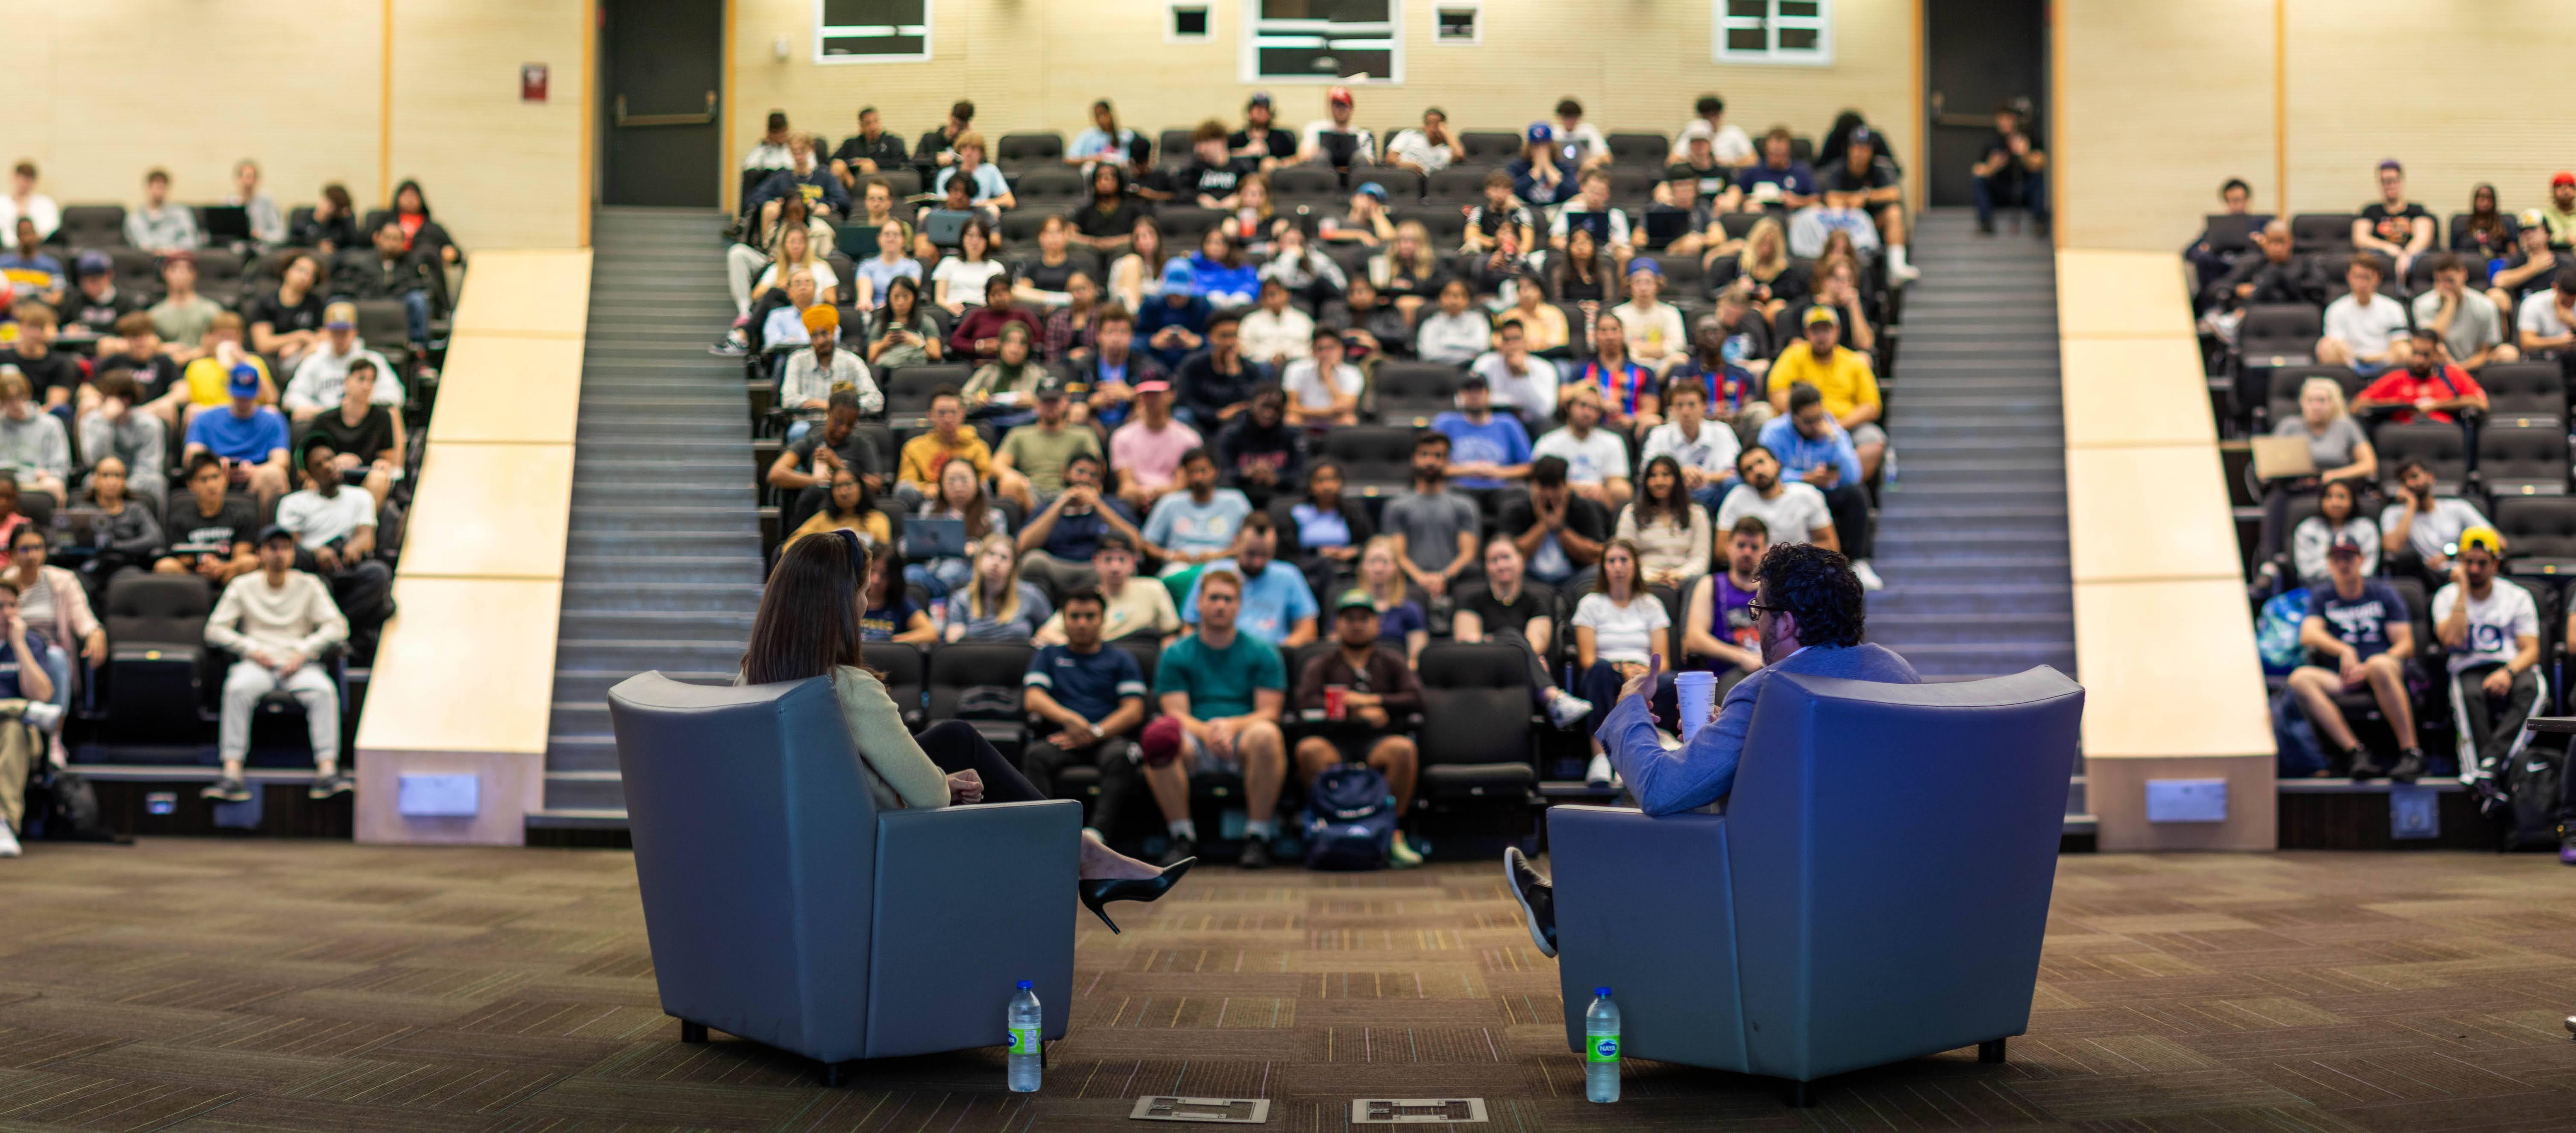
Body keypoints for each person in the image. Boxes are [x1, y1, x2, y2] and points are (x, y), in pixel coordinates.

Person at [746, 531, 1188, 927]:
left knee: (953, 738)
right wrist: (938, 783)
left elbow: (825, 775)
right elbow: (931, 798)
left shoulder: (752, 677)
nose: (865, 604)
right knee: (960, 744)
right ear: (839, 604)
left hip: (798, 833)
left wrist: (931, 781)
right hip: (865, 840)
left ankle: (1087, 857)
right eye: (862, 593)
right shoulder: (851, 686)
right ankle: (1086, 858)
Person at [1505, 542, 1919, 957]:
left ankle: (1564, 908)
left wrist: (1629, 706)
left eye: (1759, 613)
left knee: (1673, 806)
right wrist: (1735, 734)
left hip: (1780, 888)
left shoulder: (1766, 692)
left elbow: (1661, 787)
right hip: (1891, 877)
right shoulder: (1897, 671)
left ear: (1788, 622)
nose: (1756, 628)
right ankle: (1560, 907)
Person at [1142, 566, 1289, 868]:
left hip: (1243, 736)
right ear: (1199, 603)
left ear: (1239, 605)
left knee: (1267, 734)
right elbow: (1175, 712)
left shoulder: (1263, 652)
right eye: (1214, 598)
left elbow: (1270, 712)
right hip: (1194, 738)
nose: (1220, 605)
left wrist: (1232, 726)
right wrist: (1208, 732)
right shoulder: (1177, 653)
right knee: (1160, 737)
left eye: (1228, 599)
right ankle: (1181, 836)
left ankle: (1257, 836)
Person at [200, 526, 349, 805]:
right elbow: (215, 629)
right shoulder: (242, 585)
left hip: (299, 664)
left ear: (293, 553)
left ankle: (327, 771)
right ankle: (232, 773)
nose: (279, 554)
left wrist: (304, 651)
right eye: (273, 548)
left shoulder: (310, 585)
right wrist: (251, 649)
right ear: (260, 554)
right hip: (258, 662)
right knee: (237, 689)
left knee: (324, 691)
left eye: (285, 548)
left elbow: (338, 626)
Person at [1293, 590, 1426, 867]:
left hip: (1378, 741)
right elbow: (1305, 702)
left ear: (1376, 623)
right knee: (1309, 750)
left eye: (1364, 618)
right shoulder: (1321, 663)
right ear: (1336, 624)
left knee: (1403, 750)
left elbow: (1416, 698)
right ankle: (1325, 826)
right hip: (1333, 739)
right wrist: (1352, 709)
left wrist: (1374, 701)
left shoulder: (1392, 660)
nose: (1356, 624)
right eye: (1349, 618)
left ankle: (1393, 833)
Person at [2285, 535, 2424, 782]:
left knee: (2380, 666)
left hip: (2382, 669)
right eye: (2337, 558)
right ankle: (2355, 753)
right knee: (2300, 678)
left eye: (2349, 557)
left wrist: (2372, 665)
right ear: (2329, 564)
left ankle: (2411, 753)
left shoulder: (2383, 593)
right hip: (2342, 675)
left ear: (2361, 560)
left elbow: (2406, 644)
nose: (2343, 564)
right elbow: (2309, 634)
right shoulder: (2322, 596)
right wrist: (2344, 651)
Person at [2433, 527, 2542, 795]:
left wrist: (2507, 672)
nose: (2474, 569)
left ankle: (2489, 767)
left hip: (2509, 664)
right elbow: (2452, 642)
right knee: (2468, 693)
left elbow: (2531, 650)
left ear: (2495, 564)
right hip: (2468, 665)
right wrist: (2461, 592)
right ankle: (2488, 771)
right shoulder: (2446, 596)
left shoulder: (2517, 596)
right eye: (2468, 562)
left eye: (2481, 563)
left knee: (2534, 688)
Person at [274, 439, 393, 651]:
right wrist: (317, 552)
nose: (328, 467)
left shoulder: (360, 496)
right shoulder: (293, 502)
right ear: (308, 475)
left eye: (330, 459)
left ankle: (338, 630)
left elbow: (367, 536)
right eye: (319, 465)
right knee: (314, 580)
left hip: (347, 564)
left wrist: (354, 548)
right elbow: (289, 543)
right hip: (313, 568)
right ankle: (344, 634)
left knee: (378, 573)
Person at [1755, 386, 1878, 588]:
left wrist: (1835, 440)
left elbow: (1854, 476)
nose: (1815, 425)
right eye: (1808, 421)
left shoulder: (1829, 429)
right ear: (1793, 417)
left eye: (1818, 418)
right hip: (1787, 493)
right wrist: (1805, 478)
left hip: (1824, 493)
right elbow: (1766, 469)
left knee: (1857, 495)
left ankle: (1859, 561)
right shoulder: (1774, 431)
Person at [1570, 539, 1669, 773]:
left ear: (1636, 564)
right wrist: (1623, 668)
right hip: (1606, 673)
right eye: (1611, 561)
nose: (1618, 566)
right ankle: (1601, 758)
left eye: (1624, 560)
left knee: (1672, 680)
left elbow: (1662, 660)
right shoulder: (1590, 604)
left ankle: (1661, 749)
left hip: (1645, 674)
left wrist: (1642, 673)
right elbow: (1587, 660)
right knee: (1600, 671)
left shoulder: (1651, 604)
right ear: (1603, 567)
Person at [1767, 306, 1885, 479]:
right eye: (1816, 330)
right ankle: (1790, 482)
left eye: (1826, 330)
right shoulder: (1793, 355)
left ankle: (1846, 485)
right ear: (1807, 332)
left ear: (1837, 331)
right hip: (1798, 426)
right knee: (1766, 421)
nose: (1821, 336)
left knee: (1873, 438)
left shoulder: (1854, 362)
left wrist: (1836, 427)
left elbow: (1872, 406)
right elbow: (1777, 392)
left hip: (1843, 426)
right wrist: (1804, 420)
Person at [1180, 512, 1318, 650]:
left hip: (1272, 657)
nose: (1257, 562)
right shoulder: (1214, 573)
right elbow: (1189, 626)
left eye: (1265, 555)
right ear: (1236, 543)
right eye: (1251, 554)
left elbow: (1308, 629)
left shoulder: (1289, 575)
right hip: (1217, 655)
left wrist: (1275, 655)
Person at [1380, 430, 1481, 605]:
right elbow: (1397, 554)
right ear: (1414, 459)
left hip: (1455, 583)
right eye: (1424, 455)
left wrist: (1443, 578)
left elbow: (1468, 553)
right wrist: (1422, 579)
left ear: (1448, 461)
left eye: (1438, 456)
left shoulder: (1464, 505)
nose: (1430, 462)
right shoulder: (1397, 506)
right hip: (1409, 585)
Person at [0, 574, 60, 857]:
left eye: (13, 606)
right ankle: (21, 709)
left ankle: (3, 824)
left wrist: (20, 646)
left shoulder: (32, 643)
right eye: (1, 606)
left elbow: (43, 696)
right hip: (25, 714)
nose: (8, 613)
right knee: (23, 711)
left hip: (19, 733)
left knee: (13, 727)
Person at [1033, 531, 1177, 646]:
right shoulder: (1088, 598)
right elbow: (1045, 633)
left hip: (1142, 654)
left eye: (1122, 559)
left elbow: (1172, 633)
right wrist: (1080, 647)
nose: (1115, 567)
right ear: (1096, 561)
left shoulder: (1153, 588)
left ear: (1134, 562)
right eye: (1108, 559)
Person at [767, 392, 883, 533]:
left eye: (851, 424)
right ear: (828, 413)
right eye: (839, 422)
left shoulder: (863, 444)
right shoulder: (811, 442)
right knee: (814, 493)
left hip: (855, 513)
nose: (844, 429)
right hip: (818, 512)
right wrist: (816, 480)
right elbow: (776, 474)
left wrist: (839, 466)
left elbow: (876, 485)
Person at [1144, 447, 1252, 588]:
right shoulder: (1170, 502)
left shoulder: (1236, 501)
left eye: (1203, 471)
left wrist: (1220, 555)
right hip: (1180, 567)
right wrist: (1171, 556)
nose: (1198, 478)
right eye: (1192, 472)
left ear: (1216, 471)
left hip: (1224, 565)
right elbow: (1147, 544)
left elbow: (1251, 541)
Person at [1816, 126, 1913, 282]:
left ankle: (1896, 265)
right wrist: (1853, 200)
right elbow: (1831, 198)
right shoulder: (1837, 169)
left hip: (1873, 225)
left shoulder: (1879, 169)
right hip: (1848, 227)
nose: (1860, 153)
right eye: (1857, 148)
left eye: (1865, 149)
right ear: (1849, 150)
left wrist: (1866, 196)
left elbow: (1894, 193)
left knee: (1894, 212)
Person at [1684, 517, 1768, 695]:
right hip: (1723, 675)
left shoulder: (1772, 590)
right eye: (1741, 545)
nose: (1747, 552)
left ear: (1765, 552)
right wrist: (1741, 657)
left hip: (1766, 672)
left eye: (1754, 547)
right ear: (1729, 548)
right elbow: (1694, 638)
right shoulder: (1710, 584)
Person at [282, 304, 405, 423]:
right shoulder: (314, 361)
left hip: (363, 424)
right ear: (326, 333)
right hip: (327, 422)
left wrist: (361, 404)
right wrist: (319, 411)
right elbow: (292, 395)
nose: (340, 338)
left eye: (344, 332)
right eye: (336, 332)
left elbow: (395, 395)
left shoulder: (372, 360)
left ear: (354, 332)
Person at [895, 387, 1013, 509]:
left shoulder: (978, 446)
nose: (948, 419)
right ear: (930, 416)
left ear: (962, 414)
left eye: (953, 412)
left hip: (967, 500)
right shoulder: (914, 447)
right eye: (941, 413)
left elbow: (982, 480)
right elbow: (907, 481)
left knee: (984, 487)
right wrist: (928, 489)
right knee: (904, 489)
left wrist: (954, 489)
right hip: (929, 499)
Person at [1503, 456, 1611, 590]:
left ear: (1566, 486)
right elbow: (1513, 552)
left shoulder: (1583, 507)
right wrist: (1543, 524)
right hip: (1529, 578)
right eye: (1543, 487)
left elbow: (1596, 553)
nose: (1549, 494)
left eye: (1555, 487)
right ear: (1532, 485)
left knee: (1597, 573)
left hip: (1574, 577)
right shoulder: (1518, 509)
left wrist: (1560, 529)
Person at [1641, 374, 1743, 511]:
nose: (1685, 412)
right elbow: (1646, 471)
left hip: (1713, 495)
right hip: (1673, 496)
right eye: (1679, 406)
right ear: (1672, 409)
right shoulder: (1659, 434)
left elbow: (1734, 472)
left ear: (1704, 407)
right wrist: (1680, 474)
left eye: (1691, 405)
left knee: (1735, 484)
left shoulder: (1722, 431)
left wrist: (1705, 477)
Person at [2380, 458, 2488, 586]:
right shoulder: (2393, 513)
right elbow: (2392, 547)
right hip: (2424, 578)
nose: (2410, 484)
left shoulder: (2458, 508)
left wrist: (2449, 554)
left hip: (2461, 572)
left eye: (2414, 477)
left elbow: (2496, 541)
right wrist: (2410, 507)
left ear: (2430, 478)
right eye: (2404, 481)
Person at [154, 452, 259, 583]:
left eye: (215, 477)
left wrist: (222, 567)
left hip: (228, 574)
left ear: (225, 479)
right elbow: (184, 559)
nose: (211, 485)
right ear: (191, 486)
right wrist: (205, 566)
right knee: (166, 566)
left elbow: (242, 555)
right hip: (193, 576)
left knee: (250, 562)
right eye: (203, 480)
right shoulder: (179, 519)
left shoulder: (243, 515)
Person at [995, 376, 1103, 502]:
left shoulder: (1083, 434)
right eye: (1045, 401)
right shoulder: (1019, 434)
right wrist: (1017, 478)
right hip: (1030, 494)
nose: (1050, 406)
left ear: (1066, 402)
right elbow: (997, 464)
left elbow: (1098, 467)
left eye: (1055, 401)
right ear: (1036, 403)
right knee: (1009, 483)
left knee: (1090, 488)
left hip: (1070, 491)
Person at [1276, 460, 1373, 599]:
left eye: (1333, 479)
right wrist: (1318, 554)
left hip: (1346, 571)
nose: (1327, 486)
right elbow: (1287, 554)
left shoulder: (1354, 512)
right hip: (1308, 572)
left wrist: (1353, 552)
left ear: (1341, 483)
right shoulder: (1297, 513)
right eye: (1321, 480)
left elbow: (1370, 544)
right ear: (1310, 485)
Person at [1716, 444, 1837, 551]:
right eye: (1749, 469)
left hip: (1802, 570)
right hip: (1754, 571)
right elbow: (1721, 550)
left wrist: (1787, 558)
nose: (1757, 471)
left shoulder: (1807, 495)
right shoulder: (1737, 498)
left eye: (1761, 462)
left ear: (1777, 463)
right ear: (1744, 479)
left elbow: (1831, 545)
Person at [1617, 455, 1712, 591]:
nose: (1659, 482)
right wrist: (1653, 577)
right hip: (1644, 581)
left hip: (1686, 582)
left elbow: (1701, 559)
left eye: (1666, 475)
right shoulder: (1631, 513)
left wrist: (1678, 575)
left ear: (1677, 480)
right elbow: (1625, 557)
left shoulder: (1697, 514)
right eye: (1653, 476)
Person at [76, 372, 170, 509]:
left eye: (124, 397)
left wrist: (120, 485)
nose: (117, 402)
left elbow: (149, 467)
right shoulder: (92, 421)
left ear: (130, 400)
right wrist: (106, 422)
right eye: (110, 397)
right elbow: (93, 461)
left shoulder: (149, 424)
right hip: (105, 476)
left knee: (156, 482)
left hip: (138, 478)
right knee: (89, 482)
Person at [2355, 327, 2487, 424]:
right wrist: (2400, 405)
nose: (2419, 360)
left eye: (2426, 355)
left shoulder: (2452, 374)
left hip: (2442, 438)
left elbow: (2481, 403)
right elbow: (2357, 405)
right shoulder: (2396, 378)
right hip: (2404, 436)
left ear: (2436, 354)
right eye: (2415, 354)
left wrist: (2435, 405)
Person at [1533, 385, 1633, 512]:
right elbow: (1539, 478)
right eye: (1583, 405)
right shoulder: (1549, 441)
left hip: (1600, 496)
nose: (1587, 413)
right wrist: (1578, 489)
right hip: (1559, 495)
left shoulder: (1612, 441)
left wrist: (1601, 491)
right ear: (1569, 407)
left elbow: (1617, 479)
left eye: (1594, 409)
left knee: (1622, 489)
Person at [1433, 373, 1534, 498]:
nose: (1474, 395)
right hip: (1459, 490)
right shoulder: (1446, 423)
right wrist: (1471, 469)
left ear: (1488, 394)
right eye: (1468, 391)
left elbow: (1528, 467)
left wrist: (1498, 472)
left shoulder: (1508, 423)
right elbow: (1431, 464)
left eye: (1479, 390)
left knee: (1519, 493)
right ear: (1459, 396)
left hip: (1499, 490)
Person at [2408, 254, 2516, 371]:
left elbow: (2485, 352)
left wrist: (2459, 370)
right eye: (2439, 281)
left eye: (2450, 280)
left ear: (2463, 275)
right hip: (2438, 367)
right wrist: (2450, 306)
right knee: (2435, 349)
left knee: (2508, 353)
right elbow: (2428, 342)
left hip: (2476, 367)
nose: (2445, 287)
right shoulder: (2422, 304)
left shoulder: (2485, 305)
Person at [1111, 381, 1202, 509]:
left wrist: (1153, 493)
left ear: (1170, 396)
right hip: (1136, 501)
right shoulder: (1121, 436)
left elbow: (1181, 485)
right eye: (1146, 395)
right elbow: (1126, 485)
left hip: (1174, 501)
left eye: (1156, 395)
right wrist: (1143, 494)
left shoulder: (1189, 438)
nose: (1151, 400)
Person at [946, 534, 1051, 643]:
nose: (996, 562)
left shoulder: (1031, 595)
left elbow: (1050, 632)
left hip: (1018, 658)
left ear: (1013, 567)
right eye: (991, 554)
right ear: (979, 560)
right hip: (975, 658)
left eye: (1004, 558)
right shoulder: (961, 598)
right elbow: (954, 643)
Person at [2318, 254, 2412, 372]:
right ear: (2349, 278)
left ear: (2377, 279)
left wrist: (2373, 358)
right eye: (2357, 277)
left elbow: (2399, 344)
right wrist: (2358, 358)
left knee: (2406, 350)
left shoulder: (2393, 308)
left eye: (2367, 278)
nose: (2362, 283)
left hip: (2385, 361)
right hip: (2350, 362)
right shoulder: (2336, 309)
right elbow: (2337, 343)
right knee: (2326, 346)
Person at [1214, 386, 1306, 507]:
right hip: (1241, 494)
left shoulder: (1294, 436)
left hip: (1279, 495)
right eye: (1265, 407)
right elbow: (1221, 473)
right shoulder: (1231, 434)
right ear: (1251, 406)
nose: (1269, 414)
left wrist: (1277, 478)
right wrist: (1246, 473)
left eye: (1276, 409)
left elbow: (1301, 476)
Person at [1173, 310, 1262, 430]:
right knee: (1182, 415)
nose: (1230, 343)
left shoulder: (1249, 368)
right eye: (1224, 336)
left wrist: (1236, 374)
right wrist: (1217, 415)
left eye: (1234, 336)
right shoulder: (1194, 364)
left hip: (1236, 425)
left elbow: (1253, 402)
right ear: (1211, 338)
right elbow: (1185, 399)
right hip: (1202, 421)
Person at [1077, 303, 1162, 427]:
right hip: (1094, 427)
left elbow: (1160, 399)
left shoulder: (1146, 366)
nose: (1116, 338)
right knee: (1078, 411)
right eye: (1110, 332)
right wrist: (1091, 402)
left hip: (1131, 427)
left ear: (1131, 337)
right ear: (1099, 336)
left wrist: (1133, 396)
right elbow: (1072, 397)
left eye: (1122, 332)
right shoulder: (1082, 366)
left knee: (1144, 409)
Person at [1572, 313, 1657, 433]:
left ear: (1623, 334)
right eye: (1604, 331)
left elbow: (1651, 408)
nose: (1610, 336)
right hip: (1592, 429)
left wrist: (1632, 419)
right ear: (1595, 336)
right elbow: (1565, 395)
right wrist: (1601, 402)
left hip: (1630, 429)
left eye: (1614, 330)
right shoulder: (1582, 369)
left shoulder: (1642, 372)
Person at [1349, 536, 1428, 665]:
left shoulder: (1411, 611)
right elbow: (1335, 651)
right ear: (1363, 566)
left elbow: (1417, 659)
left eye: (1385, 562)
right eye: (1373, 561)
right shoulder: (1349, 608)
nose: (1379, 569)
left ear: (1396, 567)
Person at [1971, 105, 2047, 236]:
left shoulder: (2028, 138)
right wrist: (1992, 167)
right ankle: (1986, 223)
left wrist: (2025, 155)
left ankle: (2039, 222)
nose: (2005, 123)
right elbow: (1977, 171)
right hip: (2000, 191)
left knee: (2038, 178)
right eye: (2002, 119)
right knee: (1980, 181)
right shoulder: (1992, 142)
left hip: (2023, 190)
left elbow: (2042, 162)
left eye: (2009, 119)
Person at [2353, 160, 2435, 282]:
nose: (2389, 185)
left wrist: (2406, 254)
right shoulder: (2370, 211)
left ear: (2401, 181)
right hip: (2381, 257)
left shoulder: (2417, 210)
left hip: (2411, 257)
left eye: (2393, 181)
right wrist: (2388, 248)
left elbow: (2423, 239)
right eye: (2384, 182)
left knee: (2419, 259)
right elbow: (2360, 239)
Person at [2288, 479, 2379, 587]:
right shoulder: (2308, 529)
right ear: (2321, 500)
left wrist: (2347, 579)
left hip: (2358, 587)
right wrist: (2341, 573)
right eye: (2329, 497)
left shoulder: (2366, 527)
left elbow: (2368, 568)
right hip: (2317, 586)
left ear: (2353, 501)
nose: (2335, 503)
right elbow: (2307, 570)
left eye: (2341, 497)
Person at [248, 252, 327, 371]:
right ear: (286, 271)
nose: (306, 277)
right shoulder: (267, 303)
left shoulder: (315, 303)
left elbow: (325, 335)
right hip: (277, 358)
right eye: (301, 270)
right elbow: (263, 344)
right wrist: (301, 336)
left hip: (305, 353)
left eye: (312, 275)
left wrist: (299, 344)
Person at [1470, 321, 1560, 425]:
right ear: (1500, 344)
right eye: (1507, 340)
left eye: (1517, 339)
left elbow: (1546, 410)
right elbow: (1470, 398)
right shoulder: (1485, 363)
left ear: (1526, 343)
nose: (1512, 345)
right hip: (1492, 420)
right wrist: (1511, 405)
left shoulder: (1545, 368)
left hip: (1529, 423)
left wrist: (1524, 375)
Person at [785, 465, 891, 551]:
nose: (844, 492)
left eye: (849, 484)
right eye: (838, 486)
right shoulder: (823, 519)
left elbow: (883, 556)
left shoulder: (878, 519)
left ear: (861, 487)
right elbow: (791, 546)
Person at [1610, 260, 1687, 378]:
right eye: (1638, 282)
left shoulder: (1670, 313)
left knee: (1681, 359)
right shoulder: (1618, 313)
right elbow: (1619, 349)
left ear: (1658, 285)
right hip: (1629, 366)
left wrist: (1638, 350)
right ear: (1630, 286)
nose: (1643, 288)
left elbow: (1677, 346)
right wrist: (1658, 349)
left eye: (1648, 282)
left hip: (1664, 367)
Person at [0, 371, 67, 504]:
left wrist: (49, 474)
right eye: (8, 399)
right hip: (3, 481)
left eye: (19, 397)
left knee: (54, 485)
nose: (15, 404)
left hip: (36, 481)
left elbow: (61, 468)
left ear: (28, 394)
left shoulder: (50, 424)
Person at [749, 133, 851, 220]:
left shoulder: (825, 177)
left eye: (802, 151)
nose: (799, 157)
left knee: (822, 210)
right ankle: (768, 243)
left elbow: (844, 201)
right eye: (795, 152)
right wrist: (779, 203)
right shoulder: (781, 177)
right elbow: (756, 196)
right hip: (786, 222)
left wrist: (821, 203)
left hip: (814, 221)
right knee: (770, 209)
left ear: (811, 150)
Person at [149, 252, 225, 362]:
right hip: (168, 366)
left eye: (187, 270)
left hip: (205, 365)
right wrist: (161, 348)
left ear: (194, 274)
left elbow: (223, 341)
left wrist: (196, 353)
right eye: (174, 270)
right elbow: (146, 344)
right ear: (165, 273)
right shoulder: (154, 314)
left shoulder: (212, 310)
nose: (181, 275)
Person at [955, 300, 1043, 394]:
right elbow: (964, 398)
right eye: (1010, 342)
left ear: (1028, 349)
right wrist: (976, 401)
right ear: (1001, 346)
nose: (1015, 349)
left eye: (1022, 343)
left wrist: (1035, 402)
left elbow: (1051, 403)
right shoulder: (987, 372)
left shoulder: (1036, 374)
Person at [1549, 169, 1634, 267]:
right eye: (1592, 191)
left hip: (1605, 255)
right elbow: (1554, 239)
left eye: (1601, 193)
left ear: (1608, 194)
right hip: (1574, 255)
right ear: (1583, 189)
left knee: (1625, 254)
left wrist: (1614, 243)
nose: (1596, 198)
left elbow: (1625, 246)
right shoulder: (1569, 209)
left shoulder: (1617, 216)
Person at [1280, 327, 1362, 427]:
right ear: (1313, 351)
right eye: (1320, 349)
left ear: (1341, 349)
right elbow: (1291, 407)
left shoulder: (1352, 373)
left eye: (1331, 348)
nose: (1325, 354)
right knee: (1291, 419)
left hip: (1334, 419)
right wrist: (1326, 412)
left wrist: (1328, 378)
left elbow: (1348, 408)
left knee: (1348, 421)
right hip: (1306, 417)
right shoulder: (1296, 369)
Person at [1137, 259, 1210, 372]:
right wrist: (1153, 341)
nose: (1176, 297)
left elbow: (1216, 338)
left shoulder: (1202, 306)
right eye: (1172, 293)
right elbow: (1134, 339)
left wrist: (1198, 341)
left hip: (1195, 364)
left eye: (1180, 294)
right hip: (1157, 362)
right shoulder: (1151, 305)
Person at [931, 218, 1006, 315]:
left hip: (983, 314)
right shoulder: (947, 263)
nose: (975, 241)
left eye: (980, 237)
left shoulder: (996, 268)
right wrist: (949, 307)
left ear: (987, 241)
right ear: (962, 238)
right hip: (952, 314)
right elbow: (939, 298)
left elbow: (998, 298)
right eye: (971, 236)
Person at [867, 277, 944, 370]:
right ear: (889, 298)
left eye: (906, 297)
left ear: (914, 298)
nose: (901, 302)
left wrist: (917, 342)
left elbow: (936, 354)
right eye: (896, 297)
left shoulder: (926, 322)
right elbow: (870, 358)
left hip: (919, 370)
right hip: (889, 371)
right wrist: (884, 344)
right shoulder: (880, 325)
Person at [1239, 277, 1314, 370]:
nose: (1273, 298)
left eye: (1276, 294)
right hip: (1263, 365)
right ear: (1262, 299)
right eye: (1268, 295)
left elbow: (1312, 347)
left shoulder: (1303, 320)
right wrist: (1270, 357)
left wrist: (1288, 356)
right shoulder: (1251, 321)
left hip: (1297, 364)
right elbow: (1244, 348)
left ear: (1287, 294)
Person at [1738, 128, 1819, 213]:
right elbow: (1738, 194)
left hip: (1791, 215)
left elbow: (1815, 198)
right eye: (1773, 154)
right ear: (1766, 150)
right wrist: (1750, 200)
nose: (1776, 159)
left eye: (1781, 155)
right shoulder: (1754, 171)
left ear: (1789, 152)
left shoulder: (1801, 171)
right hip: (1760, 215)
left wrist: (1798, 201)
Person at [1415, 278, 1490, 368]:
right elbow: (1427, 354)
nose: (1453, 300)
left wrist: (1445, 342)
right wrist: (1469, 355)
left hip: (1470, 369)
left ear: (1467, 300)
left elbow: (1482, 347)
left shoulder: (1478, 320)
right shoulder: (1431, 324)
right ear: (1440, 299)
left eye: (1458, 295)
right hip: (1437, 370)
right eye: (1448, 295)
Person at [1298, 86, 1377, 171]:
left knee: (1360, 159)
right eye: (1337, 105)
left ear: (1351, 108)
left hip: (1352, 177)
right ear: (1331, 107)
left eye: (1344, 105)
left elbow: (1370, 164)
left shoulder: (1362, 135)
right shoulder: (1315, 129)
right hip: (1322, 176)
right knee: (1321, 157)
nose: (1340, 110)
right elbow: (1303, 157)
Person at [830, 105, 910, 188]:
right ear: (861, 126)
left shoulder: (893, 141)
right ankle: (838, 199)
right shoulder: (851, 143)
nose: (873, 127)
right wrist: (854, 163)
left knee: (868, 167)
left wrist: (875, 163)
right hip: (851, 181)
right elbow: (832, 160)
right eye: (868, 123)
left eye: (876, 122)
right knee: (838, 166)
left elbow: (902, 162)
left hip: (882, 181)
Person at [124, 169, 200, 252]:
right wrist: (159, 251)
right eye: (156, 187)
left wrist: (171, 251)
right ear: (148, 187)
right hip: (149, 260)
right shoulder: (135, 217)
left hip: (177, 259)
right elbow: (142, 245)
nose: (159, 192)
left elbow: (191, 241)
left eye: (162, 188)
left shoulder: (181, 213)